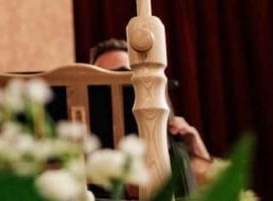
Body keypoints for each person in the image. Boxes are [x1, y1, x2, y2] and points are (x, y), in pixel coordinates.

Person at [90, 37, 215, 190]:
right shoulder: (82, 139)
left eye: (125, 75)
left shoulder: (164, 129)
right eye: (103, 78)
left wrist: (195, 150)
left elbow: (215, 194)